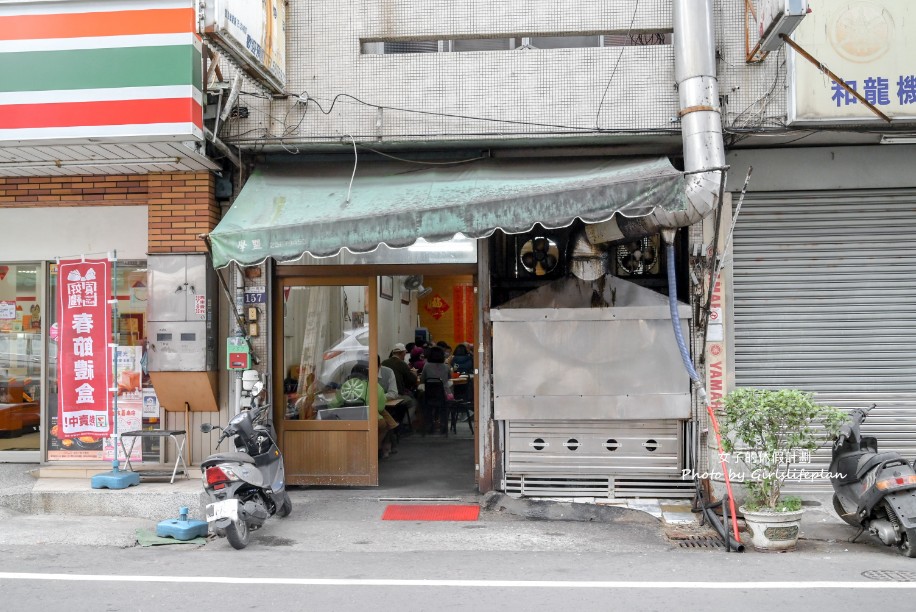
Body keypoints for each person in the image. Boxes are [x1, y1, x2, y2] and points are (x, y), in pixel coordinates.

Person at [381, 343, 419, 428]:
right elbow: (412, 380)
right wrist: (414, 373)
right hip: (396, 395)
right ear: (401, 353)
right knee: (413, 402)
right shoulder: (401, 364)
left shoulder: (384, 362)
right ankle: (404, 424)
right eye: (405, 353)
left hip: (383, 394)